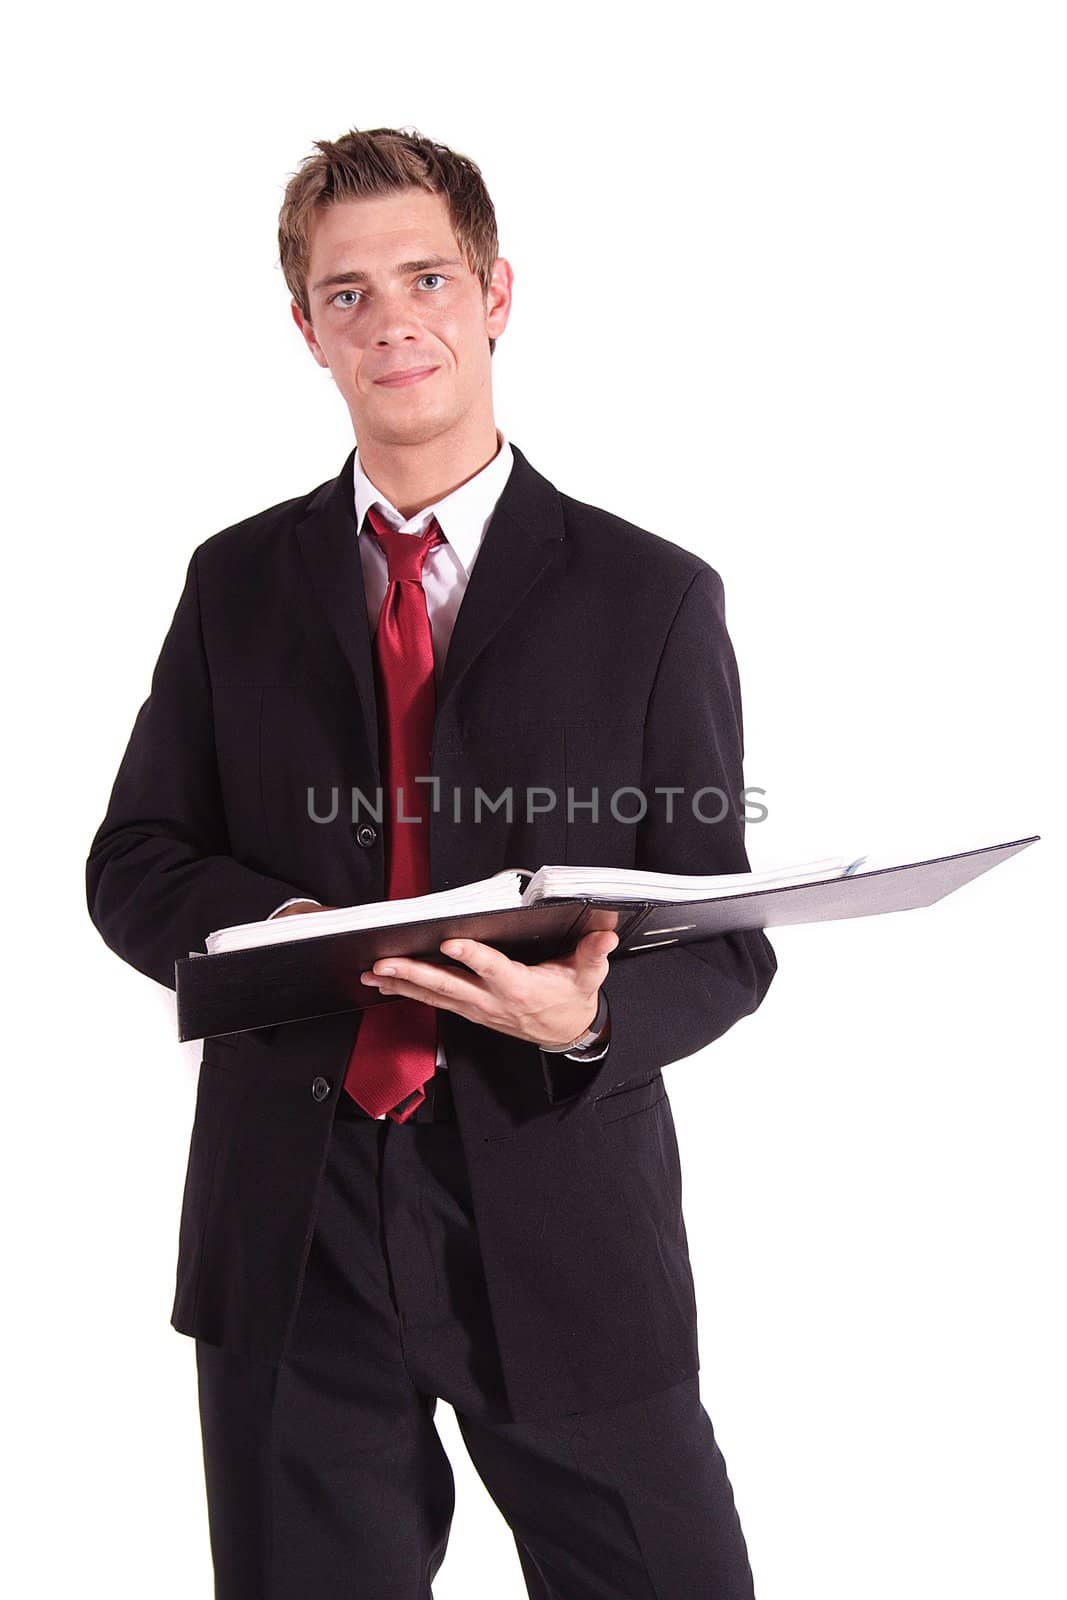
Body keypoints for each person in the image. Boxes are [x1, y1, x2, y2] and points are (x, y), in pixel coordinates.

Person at [86, 125, 777, 1599]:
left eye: (427, 277)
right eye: (348, 294)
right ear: (306, 331)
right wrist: (282, 925)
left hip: (559, 1212)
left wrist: (585, 1017)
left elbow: (723, 942)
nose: (392, 317)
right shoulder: (236, 587)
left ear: (495, 296)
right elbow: (135, 860)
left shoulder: (652, 598)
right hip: (295, 1220)